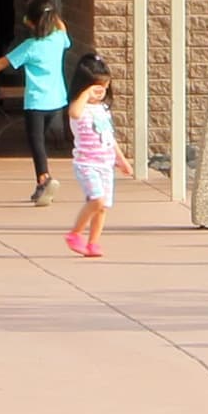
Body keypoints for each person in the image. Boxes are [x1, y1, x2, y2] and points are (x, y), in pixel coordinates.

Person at [0, 0, 73, 204]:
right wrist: (52, 13)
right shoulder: (59, 39)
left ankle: (44, 180)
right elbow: (62, 28)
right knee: (40, 142)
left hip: (36, 103)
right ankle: (42, 182)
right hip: (57, 102)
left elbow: (2, 63)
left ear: (30, 22)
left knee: (36, 142)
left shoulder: (30, 46)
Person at [59, 48, 128, 258]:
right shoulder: (79, 107)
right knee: (96, 199)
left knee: (103, 206)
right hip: (87, 164)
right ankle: (75, 234)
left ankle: (93, 243)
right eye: (96, 88)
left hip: (106, 164)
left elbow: (108, 137)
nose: (100, 92)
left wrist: (121, 160)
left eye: (104, 87)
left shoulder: (103, 110)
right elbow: (74, 113)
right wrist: (86, 94)